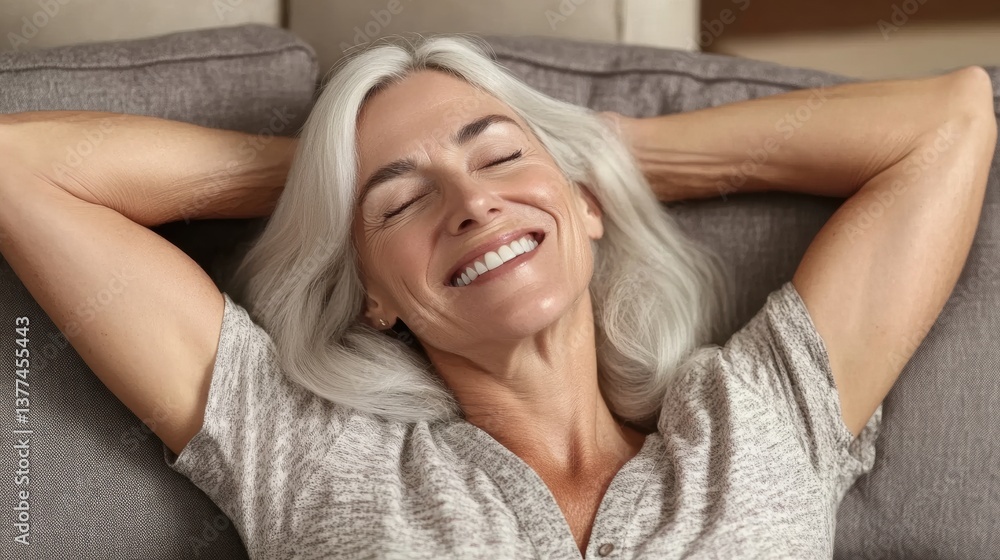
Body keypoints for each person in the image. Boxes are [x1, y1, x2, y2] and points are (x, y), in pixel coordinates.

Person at [0, 35, 994, 559]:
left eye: (502, 158)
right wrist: (322, 183)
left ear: (588, 206)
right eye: (403, 201)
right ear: (373, 296)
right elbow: (20, 168)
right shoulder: (303, 448)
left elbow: (950, 121)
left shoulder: (758, 420)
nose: (473, 202)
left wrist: (601, 155)